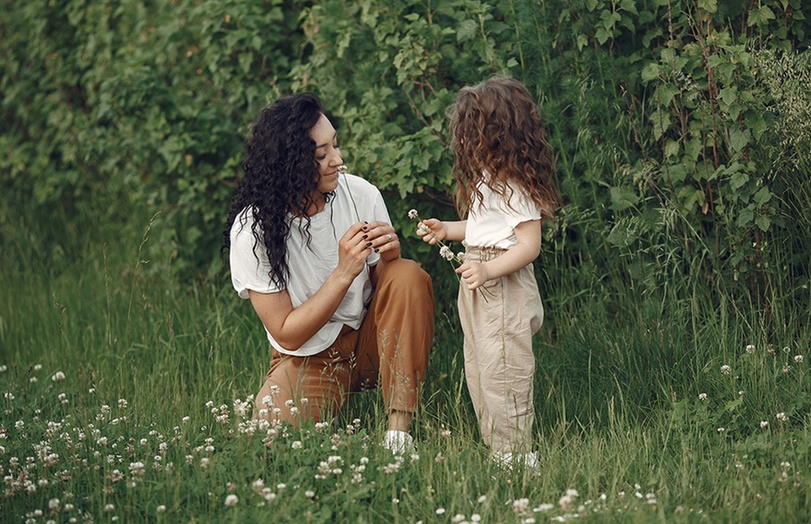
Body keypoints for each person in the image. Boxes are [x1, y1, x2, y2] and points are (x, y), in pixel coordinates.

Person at [223, 93, 435, 453]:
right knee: (270, 436)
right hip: (309, 355)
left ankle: (399, 437)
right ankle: (326, 403)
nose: (337, 160)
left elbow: (391, 296)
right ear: (289, 164)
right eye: (321, 155)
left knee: (408, 274)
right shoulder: (252, 231)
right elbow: (287, 334)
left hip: (368, 340)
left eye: (335, 145)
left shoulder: (360, 194)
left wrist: (390, 257)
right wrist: (342, 274)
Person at [417, 77, 561, 469]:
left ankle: (516, 455)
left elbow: (528, 246)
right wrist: (447, 229)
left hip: (502, 286)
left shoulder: (515, 186)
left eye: (471, 136)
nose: (463, 144)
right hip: (481, 284)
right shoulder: (487, 182)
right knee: (480, 368)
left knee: (505, 371)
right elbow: (483, 229)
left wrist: (488, 269)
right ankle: (500, 449)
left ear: (499, 137)